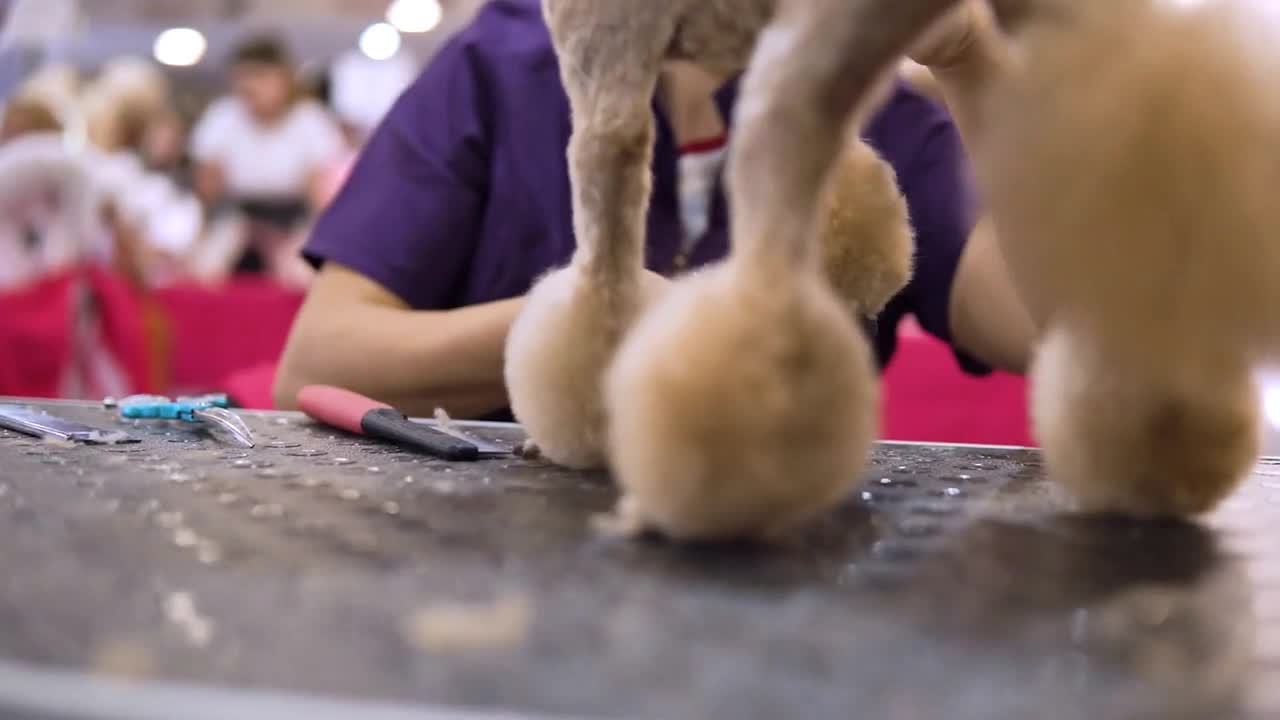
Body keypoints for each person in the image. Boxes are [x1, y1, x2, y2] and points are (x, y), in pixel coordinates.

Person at [276, 0, 1035, 420]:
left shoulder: (878, 108)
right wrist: (581, 320)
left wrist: (973, 60)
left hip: (781, 550)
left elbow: (1045, 336)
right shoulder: (501, 66)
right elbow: (316, 366)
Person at [190, 35, 345, 275]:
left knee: (302, 272)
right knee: (204, 269)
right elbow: (207, 192)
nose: (249, 86)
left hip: (292, 218)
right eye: (241, 77)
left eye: (259, 76)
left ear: (284, 79)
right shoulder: (222, 117)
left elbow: (318, 195)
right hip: (236, 216)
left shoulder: (310, 120)